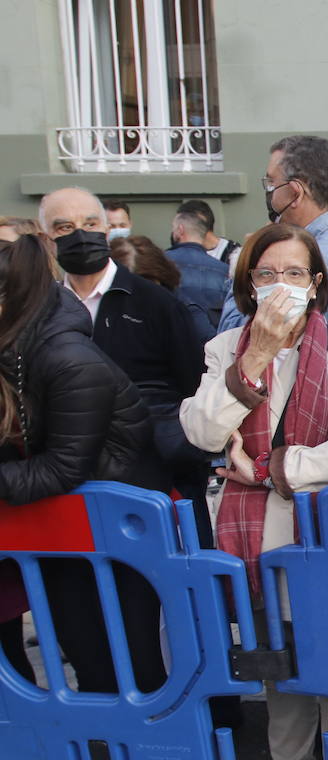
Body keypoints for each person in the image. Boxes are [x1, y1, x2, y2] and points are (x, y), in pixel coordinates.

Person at [179, 222, 328, 760]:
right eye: (267, 274)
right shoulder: (225, 350)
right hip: (255, 543)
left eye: (296, 273)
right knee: (279, 668)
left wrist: (272, 469)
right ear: (247, 285)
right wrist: (256, 357)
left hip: (327, 540)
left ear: (318, 283)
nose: (282, 286)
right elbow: (203, 430)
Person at [0, 236, 185, 760]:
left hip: (120, 532)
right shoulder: (16, 353)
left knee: (139, 659)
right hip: (56, 534)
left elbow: (62, 469)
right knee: (87, 661)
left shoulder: (67, 358)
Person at [39, 188, 207, 554]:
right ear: (47, 238)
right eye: (64, 226)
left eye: (90, 223)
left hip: (150, 488)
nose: (80, 234)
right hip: (69, 492)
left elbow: (194, 388)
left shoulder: (156, 304)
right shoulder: (41, 312)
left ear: (106, 229)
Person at [219, 136, 328, 388]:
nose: (269, 192)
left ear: (294, 192)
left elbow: (238, 335)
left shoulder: (316, 258)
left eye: (271, 182)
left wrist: (245, 263)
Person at [109, 235, 215, 345]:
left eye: (147, 284)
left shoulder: (184, 312)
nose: (140, 295)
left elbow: (210, 353)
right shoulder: (107, 313)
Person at [167, 209, 231, 328]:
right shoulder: (225, 270)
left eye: (173, 228)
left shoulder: (162, 263)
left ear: (180, 230)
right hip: (213, 341)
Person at [176, 198, 242, 270]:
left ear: (200, 223)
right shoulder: (180, 255)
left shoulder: (235, 255)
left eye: (182, 224)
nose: (178, 231)